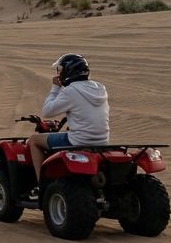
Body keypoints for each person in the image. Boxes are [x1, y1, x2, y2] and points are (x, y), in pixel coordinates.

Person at [26, 53, 110, 194]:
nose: (60, 74)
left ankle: (42, 186)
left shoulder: (72, 91)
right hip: (102, 142)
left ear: (69, 71)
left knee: (34, 140)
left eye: (61, 70)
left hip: (77, 141)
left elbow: (47, 111)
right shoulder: (101, 88)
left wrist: (55, 88)